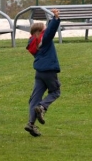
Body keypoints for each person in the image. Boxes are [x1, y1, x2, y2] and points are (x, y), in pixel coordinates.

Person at [24, 8, 61, 137]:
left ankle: (31, 123)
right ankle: (42, 107)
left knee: (34, 98)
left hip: (39, 72)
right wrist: (56, 18)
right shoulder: (44, 40)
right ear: (41, 31)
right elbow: (50, 31)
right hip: (49, 71)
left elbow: (47, 30)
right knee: (56, 92)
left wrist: (51, 19)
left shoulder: (32, 42)